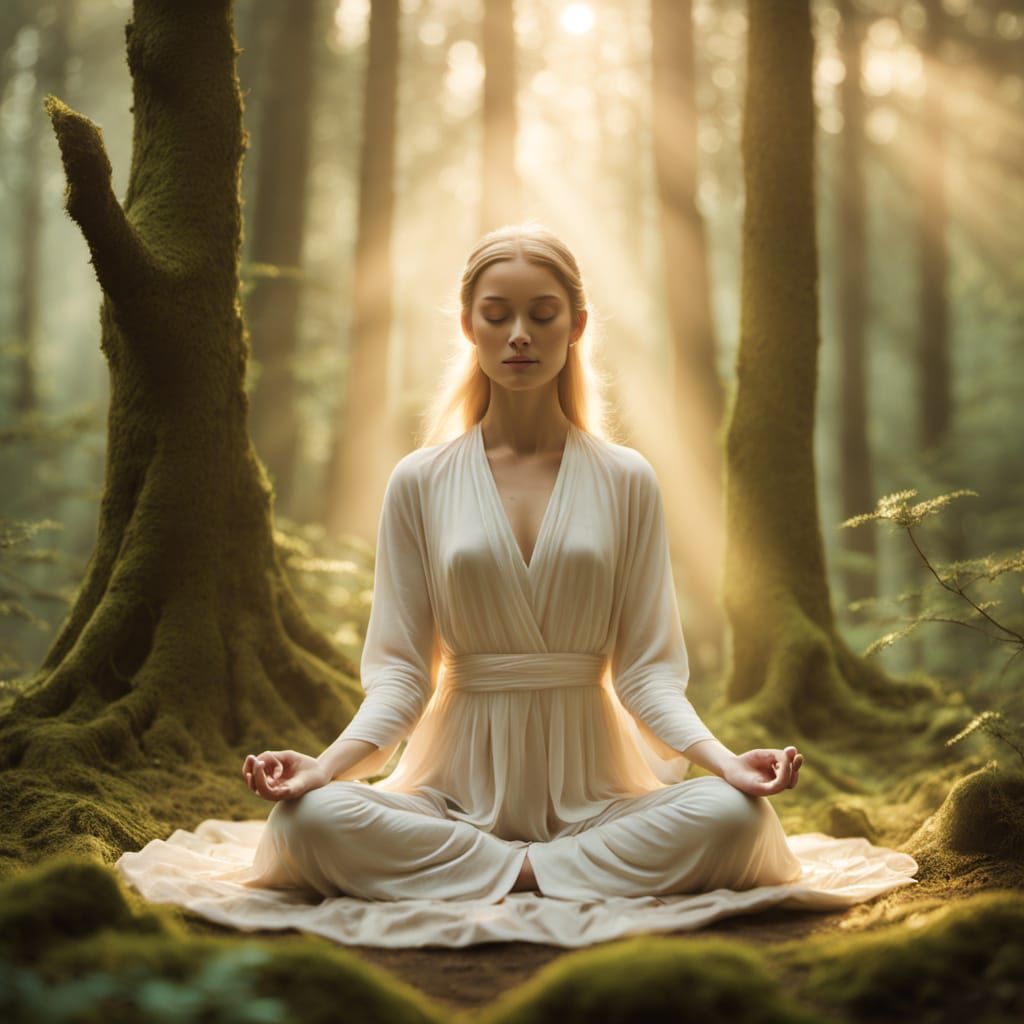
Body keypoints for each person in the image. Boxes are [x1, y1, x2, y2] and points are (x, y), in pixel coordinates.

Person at [238, 221, 810, 903]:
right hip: (451, 797)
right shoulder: (419, 480)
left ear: (575, 327)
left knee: (733, 817)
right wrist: (325, 769)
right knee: (310, 820)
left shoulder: (627, 478)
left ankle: (510, 872)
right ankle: (544, 872)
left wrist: (725, 763)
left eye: (542, 315)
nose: (519, 335)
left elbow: (648, 672)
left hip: (598, 796)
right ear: (467, 326)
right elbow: (400, 674)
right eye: (497, 314)